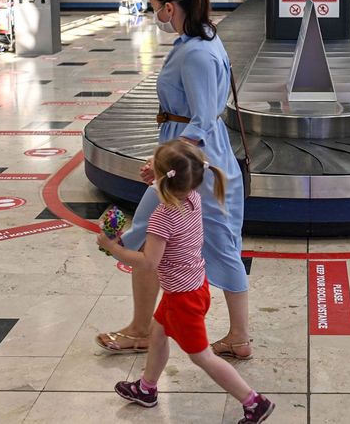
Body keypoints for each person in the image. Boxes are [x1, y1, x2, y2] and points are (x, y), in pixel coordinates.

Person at [96, 0, 253, 361]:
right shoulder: (200, 40)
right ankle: (141, 329)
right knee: (149, 234)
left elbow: (201, 119)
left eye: (154, 9)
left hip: (195, 165)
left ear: (169, 7)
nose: (154, 16)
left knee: (221, 242)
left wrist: (162, 159)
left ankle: (238, 336)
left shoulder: (198, 51)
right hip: (184, 158)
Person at [97, 141, 274, 424]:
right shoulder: (193, 197)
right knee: (157, 333)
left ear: (161, 177)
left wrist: (113, 247)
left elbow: (148, 263)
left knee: (202, 356)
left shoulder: (161, 218)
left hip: (182, 298)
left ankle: (253, 402)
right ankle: (147, 388)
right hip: (194, 285)